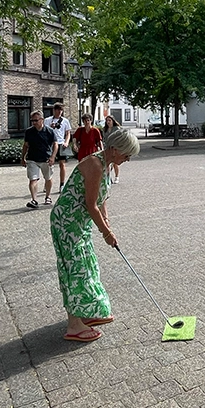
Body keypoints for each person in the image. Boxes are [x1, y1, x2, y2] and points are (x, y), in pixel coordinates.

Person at [51, 128, 140, 342]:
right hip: (67, 221)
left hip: (79, 222)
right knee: (76, 269)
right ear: (115, 149)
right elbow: (91, 205)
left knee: (85, 266)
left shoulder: (106, 164)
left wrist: (107, 223)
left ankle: (84, 313)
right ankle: (74, 326)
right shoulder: (94, 165)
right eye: (126, 155)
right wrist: (105, 232)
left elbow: (102, 199)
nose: (127, 159)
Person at [21, 110, 58, 209]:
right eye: (32, 120)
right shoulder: (29, 131)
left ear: (42, 120)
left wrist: (53, 157)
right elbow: (26, 145)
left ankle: (48, 196)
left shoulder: (49, 131)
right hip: (32, 158)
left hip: (46, 158)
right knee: (33, 179)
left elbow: (55, 144)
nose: (34, 122)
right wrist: (22, 157)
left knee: (48, 178)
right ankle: (34, 200)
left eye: (36, 120)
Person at [44, 103, 72, 193]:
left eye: (61, 110)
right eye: (58, 110)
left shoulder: (65, 121)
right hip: (51, 144)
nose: (60, 112)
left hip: (61, 143)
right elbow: (44, 131)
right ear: (54, 110)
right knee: (48, 165)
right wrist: (51, 128)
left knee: (62, 164)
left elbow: (68, 133)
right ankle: (47, 183)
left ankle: (62, 184)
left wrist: (66, 142)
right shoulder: (47, 120)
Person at [102, 115, 122, 183]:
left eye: (109, 120)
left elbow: (119, 138)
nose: (108, 122)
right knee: (107, 163)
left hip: (115, 148)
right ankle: (108, 177)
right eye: (107, 120)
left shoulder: (116, 128)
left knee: (114, 163)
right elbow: (103, 139)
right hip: (107, 148)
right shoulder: (105, 129)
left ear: (113, 121)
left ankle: (116, 177)